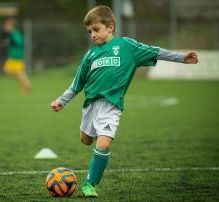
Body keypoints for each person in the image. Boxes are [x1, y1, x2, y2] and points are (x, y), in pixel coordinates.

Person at [50, 5, 198, 198]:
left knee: (103, 145)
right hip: (91, 106)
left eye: (96, 30)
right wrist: (62, 101)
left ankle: (90, 184)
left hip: (111, 106)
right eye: (89, 32)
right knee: (86, 140)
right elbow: (77, 84)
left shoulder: (127, 47)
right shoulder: (90, 55)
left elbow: (155, 51)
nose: (92, 35)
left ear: (110, 27)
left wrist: (181, 58)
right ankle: (93, 144)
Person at [3, 18, 31, 93]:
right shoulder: (13, 34)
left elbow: (19, 42)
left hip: (16, 57)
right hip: (13, 56)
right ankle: (25, 84)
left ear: (11, 26)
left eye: (7, 25)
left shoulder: (15, 33)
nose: (5, 27)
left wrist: (12, 42)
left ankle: (27, 85)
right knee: (12, 71)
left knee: (18, 72)